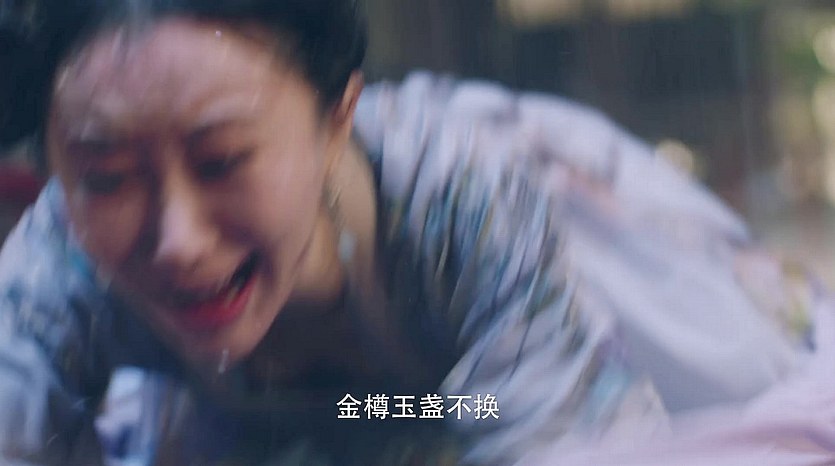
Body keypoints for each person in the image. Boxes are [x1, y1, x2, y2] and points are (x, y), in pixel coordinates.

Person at [0, 0, 820, 464]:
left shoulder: (463, 197)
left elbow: (565, 443)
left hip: (511, 366)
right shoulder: (54, 266)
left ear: (336, 120)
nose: (177, 238)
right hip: (316, 411)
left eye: (222, 160)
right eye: (105, 178)